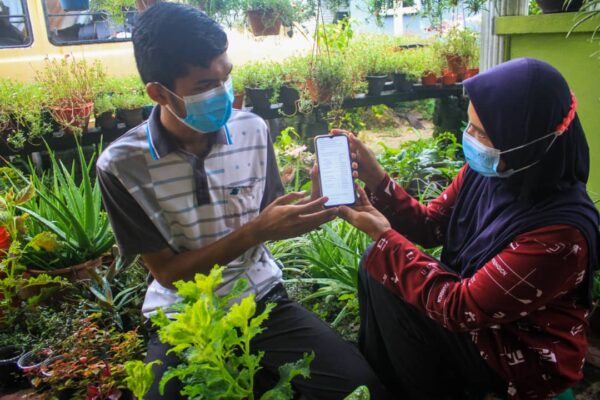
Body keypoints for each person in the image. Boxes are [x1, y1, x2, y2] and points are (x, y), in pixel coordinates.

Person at [96, 3, 391, 399]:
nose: (223, 93)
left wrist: (320, 204)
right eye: (204, 85)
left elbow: (271, 220)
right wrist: (255, 232)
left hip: (261, 298)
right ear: (158, 92)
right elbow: (168, 273)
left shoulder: (252, 129)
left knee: (361, 388)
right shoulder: (121, 165)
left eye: (226, 77)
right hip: (184, 315)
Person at [337, 58, 600, 399]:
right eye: (470, 124)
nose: (470, 138)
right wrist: (377, 178)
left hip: (519, 350)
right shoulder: (491, 171)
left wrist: (384, 236)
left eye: (482, 132)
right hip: (477, 316)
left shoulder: (560, 235)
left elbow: (460, 307)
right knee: (379, 266)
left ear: (528, 142)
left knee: (389, 272)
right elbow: (431, 226)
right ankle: (388, 381)